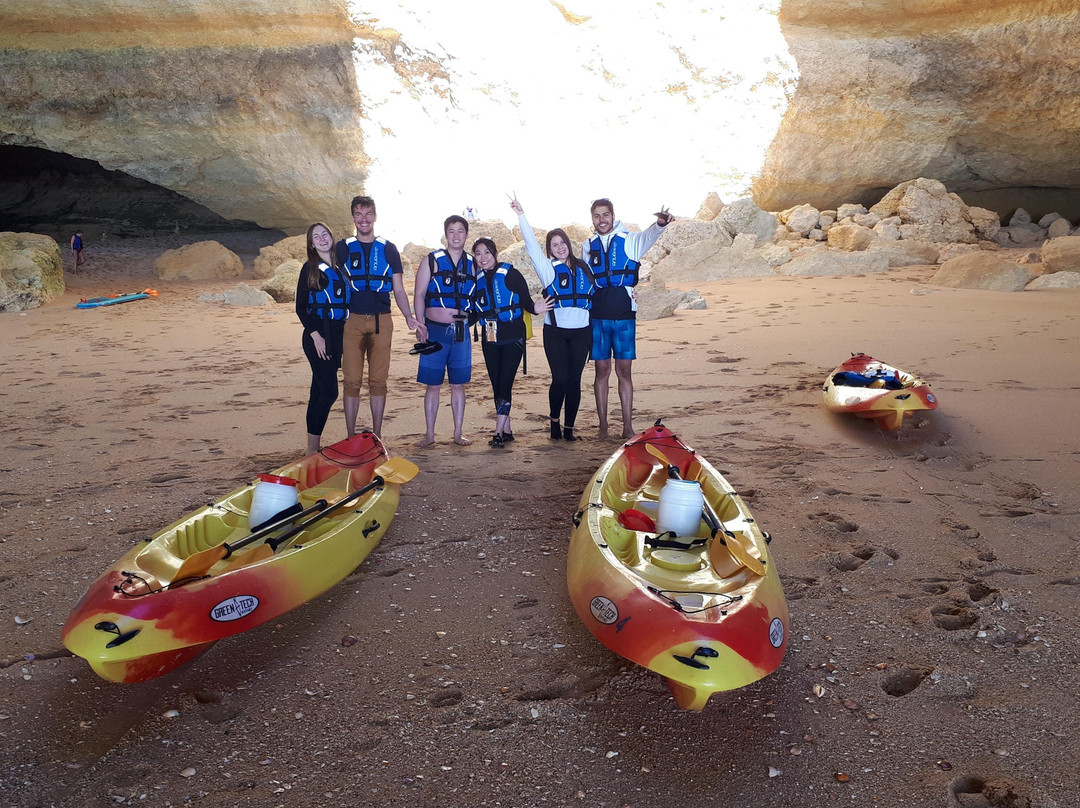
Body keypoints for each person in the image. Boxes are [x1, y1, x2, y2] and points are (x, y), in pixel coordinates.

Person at [583, 198, 674, 439]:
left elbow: (651, 234)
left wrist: (661, 223)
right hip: (598, 316)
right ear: (592, 219)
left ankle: (627, 426)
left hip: (624, 316)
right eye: (597, 216)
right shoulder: (587, 245)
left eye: (605, 215)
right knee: (601, 371)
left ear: (613, 216)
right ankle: (603, 426)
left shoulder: (631, 240)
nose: (601, 220)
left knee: (624, 372)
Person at [510, 197, 595, 442]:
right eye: (554, 245)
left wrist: (631, 291)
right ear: (550, 249)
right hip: (556, 332)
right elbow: (530, 245)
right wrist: (522, 215)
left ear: (569, 244)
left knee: (575, 381)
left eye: (562, 243)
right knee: (560, 379)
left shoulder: (584, 267)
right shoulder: (548, 268)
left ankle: (569, 429)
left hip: (582, 333)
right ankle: (554, 422)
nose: (559, 247)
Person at [336, 195, 420, 439]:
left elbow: (399, 288)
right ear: (353, 218)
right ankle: (350, 436)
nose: (364, 219)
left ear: (375, 216)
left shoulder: (388, 249)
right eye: (359, 214)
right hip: (351, 321)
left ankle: (378, 435)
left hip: (382, 320)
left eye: (368, 214)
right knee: (351, 381)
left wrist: (409, 316)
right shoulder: (341, 248)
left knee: (378, 382)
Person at [472, 237, 551, 448]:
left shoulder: (511, 274)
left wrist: (537, 308)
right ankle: (507, 431)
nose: (483, 258)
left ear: (495, 254)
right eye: (478, 254)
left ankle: (497, 432)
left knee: (505, 382)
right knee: (496, 384)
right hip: (490, 338)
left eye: (487, 252)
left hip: (512, 337)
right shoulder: (476, 280)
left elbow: (526, 301)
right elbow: (473, 312)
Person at [412, 215, 476, 447]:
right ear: (445, 234)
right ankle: (430, 434)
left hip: (461, 333)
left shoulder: (473, 263)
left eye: (461, 231)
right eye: (451, 231)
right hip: (434, 331)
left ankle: (458, 433)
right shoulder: (431, 261)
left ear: (467, 235)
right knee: (433, 384)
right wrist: (420, 325)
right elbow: (419, 294)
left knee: (458, 384)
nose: (456, 235)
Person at [295, 222, 349, 455]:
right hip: (318, 335)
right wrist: (316, 336)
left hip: (337, 334)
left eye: (325, 234)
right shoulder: (309, 268)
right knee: (329, 392)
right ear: (311, 243)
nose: (322, 239)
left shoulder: (340, 267)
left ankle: (312, 448)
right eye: (316, 236)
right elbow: (300, 308)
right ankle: (311, 450)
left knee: (317, 390)